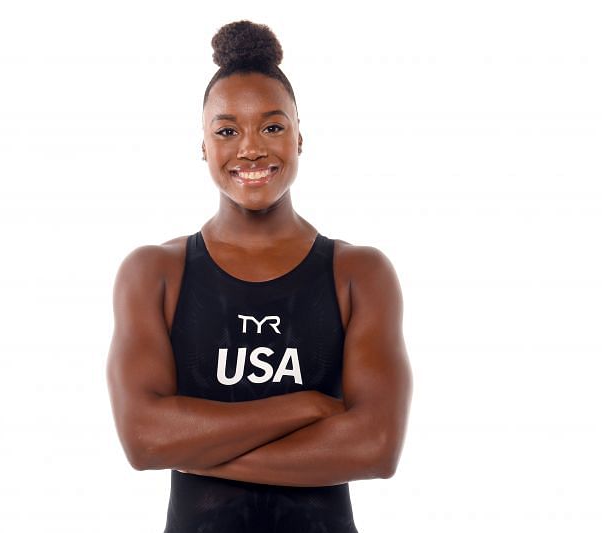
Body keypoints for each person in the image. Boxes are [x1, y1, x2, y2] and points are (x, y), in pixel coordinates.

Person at [107, 20, 412, 533]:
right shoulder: (155, 273)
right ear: (204, 145)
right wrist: (307, 407)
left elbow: (376, 447)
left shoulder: (359, 273)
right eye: (227, 131)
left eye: (272, 127)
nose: (250, 148)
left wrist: (195, 448)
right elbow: (144, 439)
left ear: (300, 136)